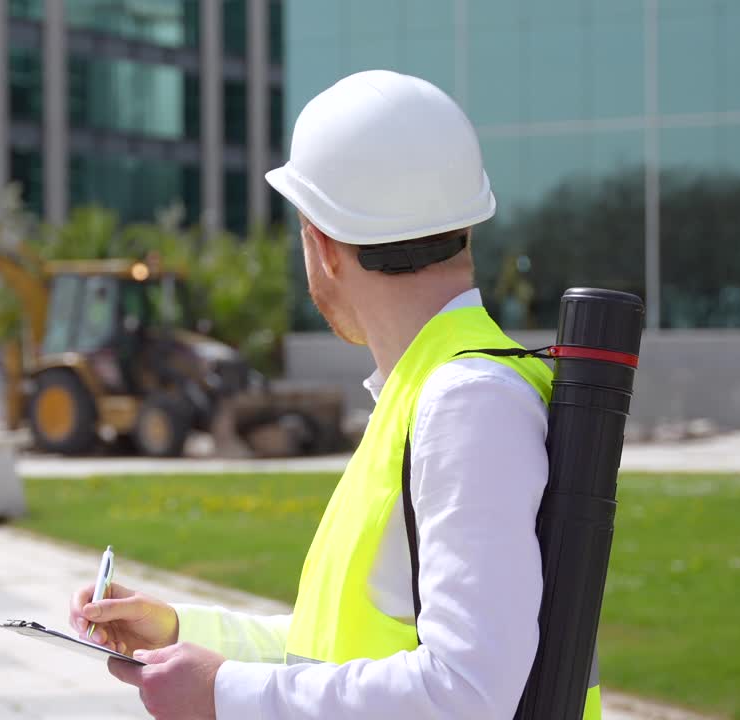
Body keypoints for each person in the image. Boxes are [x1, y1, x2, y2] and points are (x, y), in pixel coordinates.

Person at [68, 70, 602, 720]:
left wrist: (226, 696)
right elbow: (335, 655)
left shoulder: (466, 404)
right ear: (467, 226)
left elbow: (466, 692)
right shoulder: (434, 395)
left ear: (321, 245)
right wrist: (182, 631)